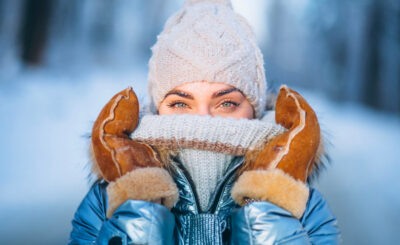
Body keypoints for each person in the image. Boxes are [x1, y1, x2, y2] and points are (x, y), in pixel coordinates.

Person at [69, 0, 341, 244]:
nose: (202, 121)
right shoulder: (108, 201)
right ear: (157, 108)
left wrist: (270, 211)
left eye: (226, 103)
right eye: (180, 103)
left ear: (255, 109)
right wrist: (138, 212)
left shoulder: (300, 206)